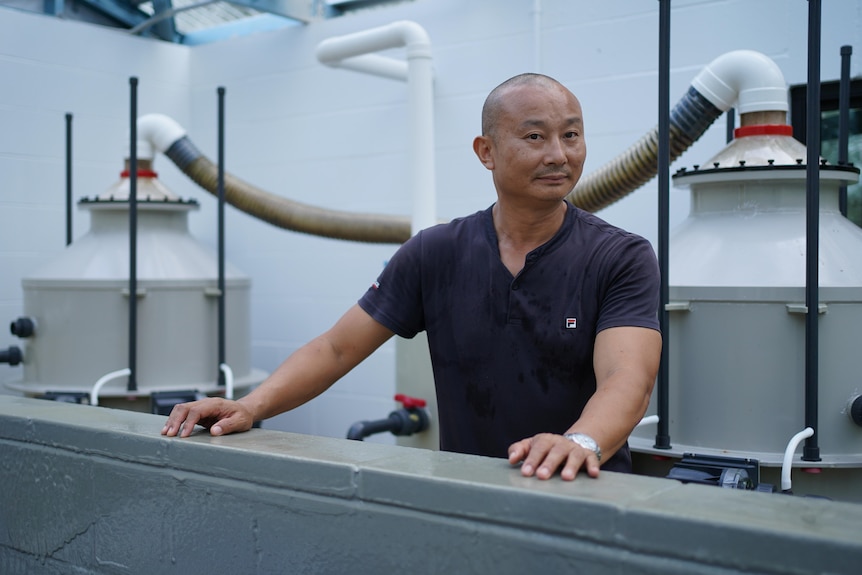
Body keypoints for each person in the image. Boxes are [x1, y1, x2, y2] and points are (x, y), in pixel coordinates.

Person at [163, 73, 662, 482]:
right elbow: (337, 348)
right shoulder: (435, 252)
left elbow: (627, 381)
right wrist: (250, 406)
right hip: (466, 496)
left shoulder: (620, 256)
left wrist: (577, 443)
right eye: (535, 136)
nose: (559, 153)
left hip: (581, 492)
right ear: (486, 151)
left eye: (571, 135)